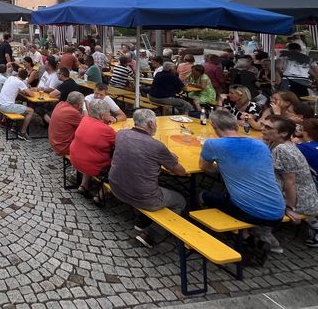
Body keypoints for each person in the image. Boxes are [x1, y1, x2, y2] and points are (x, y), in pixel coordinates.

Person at [199, 110, 285, 262]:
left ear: (213, 126)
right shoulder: (260, 144)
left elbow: (204, 167)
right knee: (233, 195)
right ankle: (254, 237)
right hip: (278, 210)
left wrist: (223, 166)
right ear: (236, 125)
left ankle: (242, 238)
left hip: (251, 212)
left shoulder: (213, 144)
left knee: (202, 196)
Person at [109, 109, 187, 248]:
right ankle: (151, 234)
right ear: (151, 123)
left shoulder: (121, 134)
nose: (156, 125)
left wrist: (165, 156)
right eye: (155, 122)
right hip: (143, 196)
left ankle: (142, 220)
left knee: (138, 177)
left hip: (116, 187)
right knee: (181, 201)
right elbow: (181, 172)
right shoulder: (156, 146)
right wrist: (169, 157)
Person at [262, 116, 318, 251]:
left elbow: (290, 182)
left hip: (300, 199)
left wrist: (289, 208)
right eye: (263, 125)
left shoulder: (283, 149)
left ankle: (266, 238)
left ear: (284, 133)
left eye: (268, 127)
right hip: (298, 194)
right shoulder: (276, 143)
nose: (263, 129)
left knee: (251, 198)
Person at [69, 98, 116, 205]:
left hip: (75, 159)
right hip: (93, 166)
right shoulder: (107, 130)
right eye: (109, 112)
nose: (110, 114)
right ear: (102, 115)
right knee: (118, 167)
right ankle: (100, 196)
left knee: (90, 152)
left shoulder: (85, 120)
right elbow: (120, 144)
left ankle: (83, 185)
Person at [0, 68, 35, 141]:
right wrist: (33, 90)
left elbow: (17, 90)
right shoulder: (20, 82)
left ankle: (14, 126)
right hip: (6, 107)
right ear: (24, 78)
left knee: (18, 103)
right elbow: (31, 94)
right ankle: (23, 133)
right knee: (31, 111)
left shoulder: (10, 77)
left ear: (18, 74)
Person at [48, 91, 85, 157]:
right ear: (80, 104)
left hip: (54, 142)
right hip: (63, 148)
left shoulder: (60, 104)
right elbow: (86, 125)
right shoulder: (73, 112)